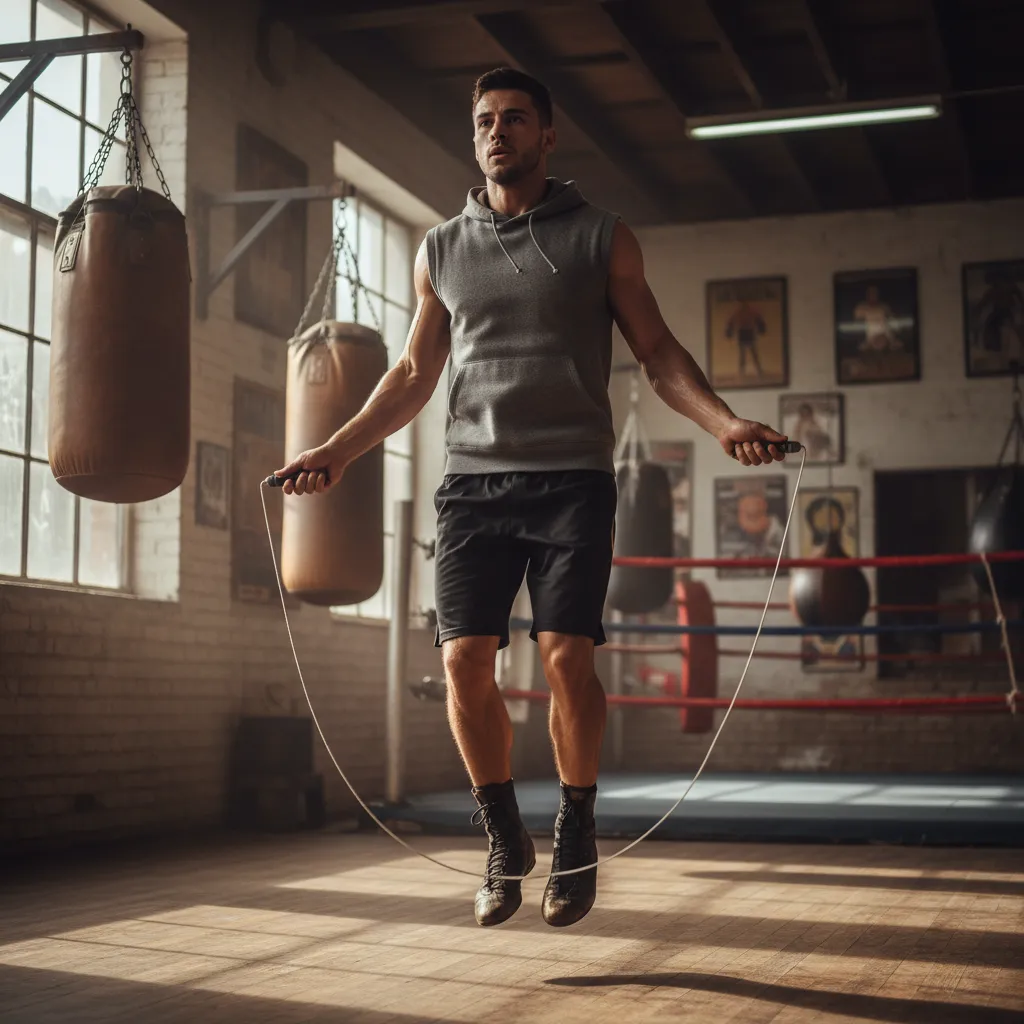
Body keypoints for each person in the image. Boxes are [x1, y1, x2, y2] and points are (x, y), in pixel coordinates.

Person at [274, 67, 790, 929]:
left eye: (515, 119)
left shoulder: (603, 237)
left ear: (549, 136)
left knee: (563, 660)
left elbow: (658, 351)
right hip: (472, 484)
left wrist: (724, 421)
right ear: (473, 137)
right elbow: (411, 374)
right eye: (484, 121)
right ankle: (504, 836)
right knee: (462, 661)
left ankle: (575, 830)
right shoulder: (440, 247)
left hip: (571, 482)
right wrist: (334, 449)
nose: (497, 132)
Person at [853, 284, 901, 351]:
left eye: (875, 294)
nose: (873, 296)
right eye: (871, 294)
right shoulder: (861, 308)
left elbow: (893, 321)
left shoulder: (884, 307)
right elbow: (857, 323)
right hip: (871, 336)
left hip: (885, 335)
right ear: (867, 295)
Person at [724, 300, 766, 377]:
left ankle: (756, 370)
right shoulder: (744, 312)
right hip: (744, 332)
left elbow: (731, 322)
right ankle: (745, 371)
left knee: (750, 353)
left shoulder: (746, 312)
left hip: (746, 332)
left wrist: (729, 332)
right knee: (746, 353)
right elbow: (731, 322)